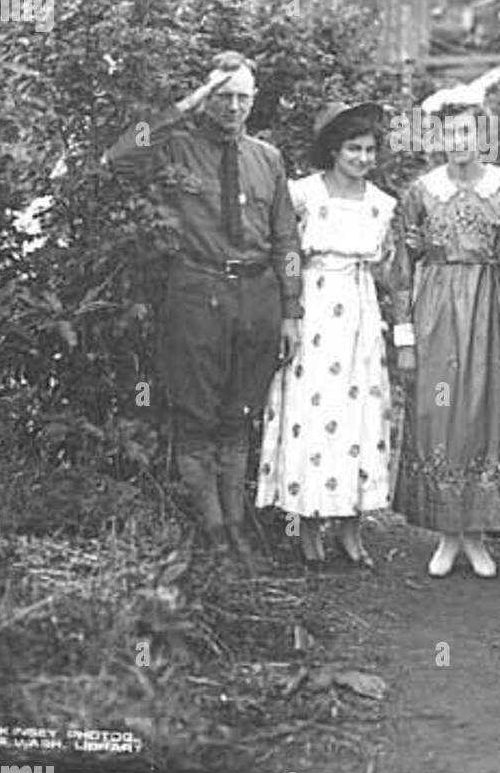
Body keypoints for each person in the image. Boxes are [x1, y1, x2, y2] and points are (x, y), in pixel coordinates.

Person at [105, 51, 302, 571]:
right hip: (196, 292)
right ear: (207, 99)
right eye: (223, 96)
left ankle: (238, 530)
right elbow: (120, 157)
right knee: (196, 415)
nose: (234, 106)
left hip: (257, 296)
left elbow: (285, 238)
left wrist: (290, 311)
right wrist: (184, 105)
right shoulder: (178, 148)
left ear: (254, 100)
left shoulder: (269, 158)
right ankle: (214, 535)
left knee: (240, 416)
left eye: (243, 96)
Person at [392, 102, 500, 578]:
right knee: (442, 414)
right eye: (451, 133)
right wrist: (405, 335)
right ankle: (446, 534)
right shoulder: (422, 192)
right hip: (437, 309)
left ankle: (476, 536)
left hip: (493, 308)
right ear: (440, 139)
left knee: (486, 412)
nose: (460, 142)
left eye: (468, 133)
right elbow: (400, 269)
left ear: (482, 138)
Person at [256, 102, 396, 569]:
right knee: (312, 410)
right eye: (353, 148)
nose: (361, 157)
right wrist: (286, 309)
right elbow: (284, 251)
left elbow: (389, 266)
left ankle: (352, 528)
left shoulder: (381, 203)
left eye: (369, 149)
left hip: (359, 309)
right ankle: (308, 525)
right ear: (333, 149)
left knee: (357, 412)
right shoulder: (303, 194)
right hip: (314, 307)